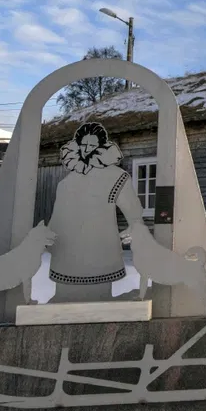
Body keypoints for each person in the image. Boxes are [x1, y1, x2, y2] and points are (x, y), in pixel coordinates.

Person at [46, 122, 130, 302]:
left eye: (92, 145)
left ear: (101, 146)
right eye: (84, 145)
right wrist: (49, 236)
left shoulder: (116, 176)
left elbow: (132, 209)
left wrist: (136, 228)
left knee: (100, 300)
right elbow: (59, 215)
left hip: (99, 249)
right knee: (64, 301)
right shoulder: (67, 181)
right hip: (68, 252)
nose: (87, 149)